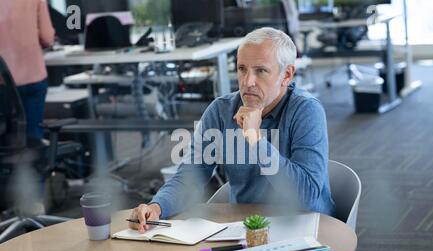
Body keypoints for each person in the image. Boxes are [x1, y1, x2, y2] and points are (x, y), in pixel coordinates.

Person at [130, 27, 335, 233]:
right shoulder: (221, 110)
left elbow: (306, 196)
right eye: (242, 69)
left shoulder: (306, 110)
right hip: (247, 228)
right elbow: (190, 177)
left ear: (286, 75)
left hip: (305, 226)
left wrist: (256, 140)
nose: (248, 82)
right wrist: (156, 207)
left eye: (260, 71)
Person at [0, 0, 55, 141]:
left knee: (4, 140)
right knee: (33, 137)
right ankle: (34, 161)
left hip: (3, 83)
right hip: (33, 77)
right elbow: (47, 38)